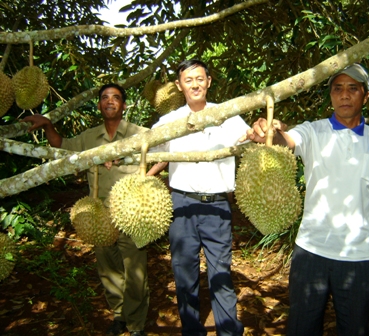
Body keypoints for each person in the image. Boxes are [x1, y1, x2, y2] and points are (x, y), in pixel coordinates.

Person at [241, 64, 369, 336]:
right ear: (330, 96)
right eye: (337, 89)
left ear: (365, 96)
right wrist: (269, 131)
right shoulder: (314, 132)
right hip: (311, 251)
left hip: (359, 255)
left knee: (355, 329)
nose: (344, 95)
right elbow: (287, 141)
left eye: (353, 89)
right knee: (302, 327)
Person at [21, 84, 149, 336]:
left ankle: (136, 325)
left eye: (116, 98)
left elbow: (163, 155)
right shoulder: (89, 137)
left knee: (135, 270)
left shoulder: (140, 134)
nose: (109, 101)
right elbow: (62, 146)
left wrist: (145, 175)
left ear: (124, 105)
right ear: (100, 105)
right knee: (108, 269)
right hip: (98, 213)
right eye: (104, 98)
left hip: (133, 211)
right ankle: (118, 316)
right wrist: (48, 125)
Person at [147, 59, 247, 336]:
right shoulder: (169, 121)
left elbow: (253, 137)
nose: (195, 84)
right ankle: (192, 330)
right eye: (188, 80)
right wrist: (145, 174)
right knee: (184, 273)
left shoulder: (228, 115)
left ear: (209, 81)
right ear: (180, 86)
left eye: (200, 78)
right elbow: (155, 153)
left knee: (221, 273)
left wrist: (269, 127)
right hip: (181, 205)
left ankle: (229, 331)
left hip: (217, 205)